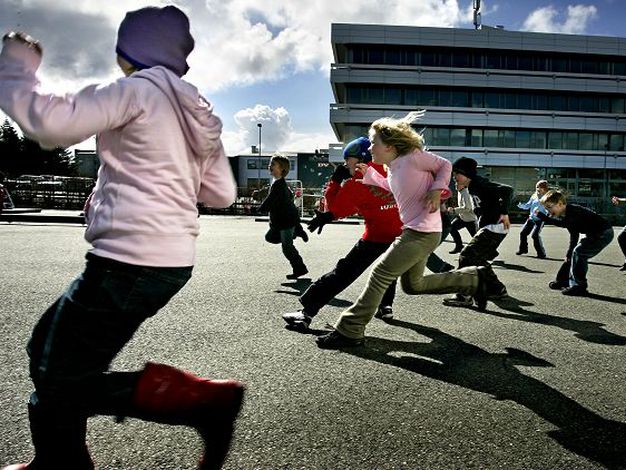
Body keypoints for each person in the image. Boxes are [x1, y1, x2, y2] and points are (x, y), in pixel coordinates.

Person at [0, 8, 243, 470]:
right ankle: (59, 458)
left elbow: (50, 124)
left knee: (59, 375)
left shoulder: (133, 91)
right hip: (169, 261)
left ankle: (200, 402)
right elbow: (222, 192)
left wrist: (15, 66)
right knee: (45, 351)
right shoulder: (199, 112)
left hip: (126, 261)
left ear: (124, 52)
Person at [315, 111, 488, 349]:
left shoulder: (413, 157)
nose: (371, 147)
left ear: (390, 145)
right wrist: (372, 175)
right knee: (412, 285)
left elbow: (444, 165)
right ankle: (473, 279)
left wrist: (437, 189)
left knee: (380, 274)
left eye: (374, 142)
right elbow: (389, 186)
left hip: (421, 232)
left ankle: (350, 329)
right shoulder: (394, 167)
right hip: (419, 230)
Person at [282, 136, 402, 331]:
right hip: (402, 236)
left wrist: (335, 182)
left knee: (343, 273)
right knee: (388, 271)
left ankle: (306, 313)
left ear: (361, 158)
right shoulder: (395, 172)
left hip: (374, 238)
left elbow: (337, 208)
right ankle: (386, 306)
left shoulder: (354, 183)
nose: (346, 163)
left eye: (349, 159)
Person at [442, 157, 512, 307]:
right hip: (491, 227)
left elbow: (507, 190)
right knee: (478, 259)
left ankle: (463, 295)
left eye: (457, 175)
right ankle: (497, 290)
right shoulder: (472, 187)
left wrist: (504, 213)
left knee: (466, 256)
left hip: (494, 226)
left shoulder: (479, 183)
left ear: (467, 174)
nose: (454, 178)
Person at [538, 191, 614, 296]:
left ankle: (579, 286)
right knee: (573, 254)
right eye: (546, 209)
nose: (548, 211)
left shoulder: (573, 211)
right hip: (594, 234)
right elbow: (574, 235)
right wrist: (568, 253)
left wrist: (545, 218)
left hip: (603, 233)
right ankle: (562, 280)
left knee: (579, 253)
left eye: (550, 207)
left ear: (560, 204)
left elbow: (564, 224)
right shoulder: (566, 214)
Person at [259, 154, 309, 280]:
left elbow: (270, 200)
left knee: (287, 248)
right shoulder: (278, 183)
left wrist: (260, 209)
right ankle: (297, 231)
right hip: (282, 220)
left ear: (282, 169)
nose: (270, 166)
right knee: (269, 237)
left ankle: (300, 268)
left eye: (273, 164)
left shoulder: (279, 185)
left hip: (286, 221)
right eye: (270, 164)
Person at [516, 180, 549, 258]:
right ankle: (523, 249)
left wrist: (547, 215)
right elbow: (527, 206)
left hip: (540, 220)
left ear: (544, 189)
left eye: (540, 187)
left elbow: (549, 209)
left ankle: (541, 254)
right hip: (531, 219)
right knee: (523, 233)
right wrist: (519, 205)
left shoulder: (547, 197)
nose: (538, 189)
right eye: (537, 187)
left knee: (535, 236)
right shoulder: (534, 195)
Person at [447, 180, 477, 253]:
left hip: (470, 220)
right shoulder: (460, 192)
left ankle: (490, 251)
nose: (455, 185)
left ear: (464, 185)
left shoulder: (466, 193)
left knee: (477, 239)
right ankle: (459, 246)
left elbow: (467, 207)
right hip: (462, 218)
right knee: (451, 227)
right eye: (455, 183)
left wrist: (454, 210)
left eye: (458, 183)